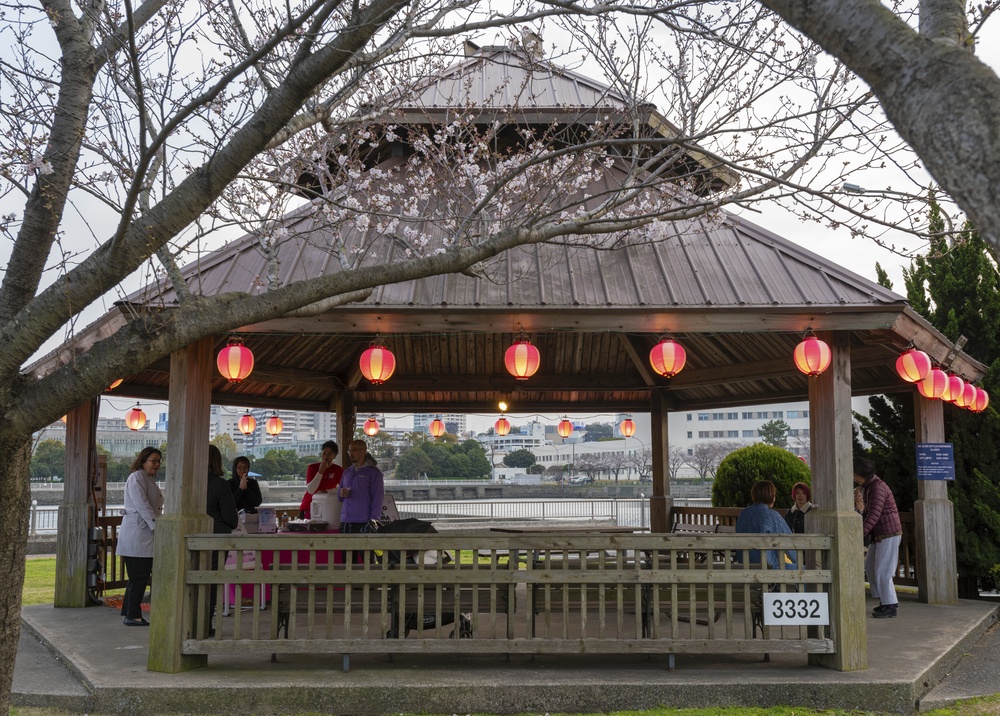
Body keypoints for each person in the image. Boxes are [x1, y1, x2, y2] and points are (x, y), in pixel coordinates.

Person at [118, 447, 164, 626]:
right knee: (139, 577)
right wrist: (157, 526)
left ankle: (128, 611)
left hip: (143, 533)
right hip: (138, 534)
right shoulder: (136, 478)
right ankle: (133, 615)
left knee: (138, 576)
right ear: (143, 460)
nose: (157, 464)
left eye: (159, 460)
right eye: (153, 460)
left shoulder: (147, 479)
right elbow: (142, 505)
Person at [855, 456, 902, 619]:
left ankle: (889, 605)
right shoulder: (870, 487)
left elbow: (874, 514)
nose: (854, 478)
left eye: (855, 474)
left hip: (889, 533)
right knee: (870, 567)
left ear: (862, 473)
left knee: (883, 571)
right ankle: (886, 600)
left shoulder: (877, 488)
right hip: (880, 534)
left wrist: (860, 533)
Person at [207, 444, 239, 632]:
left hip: (189, 537)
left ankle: (188, 621)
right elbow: (231, 518)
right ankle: (205, 623)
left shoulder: (189, 481)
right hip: (217, 538)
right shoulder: (220, 484)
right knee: (210, 582)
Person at [735, 480, 796, 569]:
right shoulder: (773, 516)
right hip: (769, 567)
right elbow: (789, 543)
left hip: (746, 566)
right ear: (772, 497)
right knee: (808, 571)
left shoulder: (743, 515)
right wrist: (797, 561)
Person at [338, 439, 385, 533]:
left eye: (354, 450)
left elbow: (377, 498)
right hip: (345, 521)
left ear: (363, 451)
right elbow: (339, 497)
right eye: (349, 450)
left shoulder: (373, 473)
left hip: (363, 522)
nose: (351, 453)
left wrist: (373, 520)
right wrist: (341, 493)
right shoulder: (347, 472)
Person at [299, 440, 343, 519]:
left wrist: (328, 491)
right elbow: (311, 490)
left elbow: (343, 488)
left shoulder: (338, 470)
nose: (325, 457)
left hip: (327, 508)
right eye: (324, 453)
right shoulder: (312, 468)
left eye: (329, 454)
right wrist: (320, 471)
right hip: (308, 507)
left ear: (335, 455)